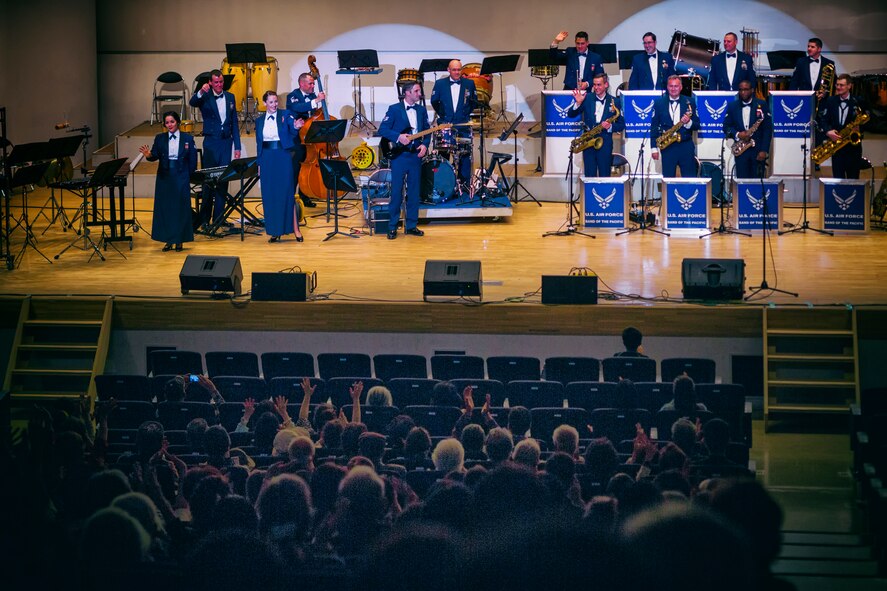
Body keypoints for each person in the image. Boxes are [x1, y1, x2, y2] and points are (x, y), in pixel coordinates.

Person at [188, 69, 241, 227]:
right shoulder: (205, 96)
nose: (219, 85)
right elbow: (192, 103)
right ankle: (204, 219)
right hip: (211, 143)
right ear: (210, 82)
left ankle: (219, 218)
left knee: (222, 181)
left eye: (221, 82)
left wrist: (237, 146)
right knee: (209, 181)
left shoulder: (230, 97)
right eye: (216, 82)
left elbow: (235, 123)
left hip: (226, 143)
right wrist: (199, 92)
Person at [139, 111, 197, 252]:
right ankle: (168, 240)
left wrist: (186, 176)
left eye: (172, 121)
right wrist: (148, 156)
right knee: (166, 209)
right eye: (167, 122)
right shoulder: (160, 138)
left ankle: (179, 241)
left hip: (181, 176)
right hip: (164, 178)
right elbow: (155, 155)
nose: (169, 124)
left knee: (181, 209)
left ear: (177, 122)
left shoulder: (188, 138)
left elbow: (192, 161)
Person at [378, 81, 429, 240]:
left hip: (415, 156)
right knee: (396, 192)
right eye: (416, 91)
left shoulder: (421, 110)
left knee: (414, 192)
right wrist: (398, 136)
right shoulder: (394, 109)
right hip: (399, 157)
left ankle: (411, 225)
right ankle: (392, 227)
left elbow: (427, 131)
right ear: (407, 93)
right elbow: (383, 130)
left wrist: (425, 145)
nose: (419, 93)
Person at [256, 90, 304, 243]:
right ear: (265, 104)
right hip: (267, 159)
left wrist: (296, 126)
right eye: (271, 102)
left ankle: (295, 229)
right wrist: (259, 163)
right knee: (270, 195)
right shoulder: (259, 121)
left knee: (286, 193)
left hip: (282, 157)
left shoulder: (285, 114)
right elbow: (259, 144)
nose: (274, 105)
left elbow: (292, 126)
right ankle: (275, 231)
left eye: (276, 101)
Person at [568, 73, 624, 177]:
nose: (596, 87)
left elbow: (621, 125)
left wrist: (610, 127)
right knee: (589, 176)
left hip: (605, 144)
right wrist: (578, 103)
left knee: (605, 176)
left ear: (606, 85)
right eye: (594, 85)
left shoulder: (615, 101)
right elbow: (570, 114)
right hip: (588, 143)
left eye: (599, 85)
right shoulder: (587, 98)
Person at [430, 59, 477, 184]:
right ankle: (443, 184)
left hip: (463, 124)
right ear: (448, 70)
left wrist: (464, 114)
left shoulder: (469, 84)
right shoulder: (440, 84)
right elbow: (434, 101)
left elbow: (473, 103)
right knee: (443, 154)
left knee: (465, 155)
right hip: (445, 124)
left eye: (459, 69)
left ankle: (464, 184)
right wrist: (444, 115)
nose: (457, 72)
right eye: (454, 70)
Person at [286, 72, 324, 208]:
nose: (313, 85)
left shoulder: (313, 96)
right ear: (302, 84)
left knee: (307, 169)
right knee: (295, 169)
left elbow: (314, 114)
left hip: (310, 138)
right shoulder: (293, 96)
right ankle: (290, 199)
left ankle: (305, 196)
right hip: (297, 139)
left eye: (314, 83)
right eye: (310, 83)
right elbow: (298, 108)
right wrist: (316, 101)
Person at [818, 74, 866, 179]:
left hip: (853, 148)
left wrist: (859, 128)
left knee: (853, 180)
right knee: (838, 179)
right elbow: (823, 120)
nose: (838, 87)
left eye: (842, 85)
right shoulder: (831, 101)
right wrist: (828, 131)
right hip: (837, 147)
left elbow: (867, 120)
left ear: (849, 86)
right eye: (837, 85)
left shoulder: (858, 101)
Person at [651, 75, 700, 177]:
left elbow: (697, 125)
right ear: (667, 87)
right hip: (667, 147)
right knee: (668, 179)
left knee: (689, 179)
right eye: (671, 86)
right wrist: (653, 148)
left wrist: (688, 122)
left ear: (681, 87)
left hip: (686, 146)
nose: (673, 89)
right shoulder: (658, 103)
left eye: (676, 86)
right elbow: (654, 126)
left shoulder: (690, 102)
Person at [723, 80, 771, 179]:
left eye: (746, 89)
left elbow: (767, 129)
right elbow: (726, 126)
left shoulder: (762, 104)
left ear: (752, 90)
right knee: (741, 182)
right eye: (741, 90)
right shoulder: (733, 106)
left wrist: (764, 150)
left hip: (757, 151)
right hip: (741, 151)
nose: (743, 92)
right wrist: (737, 134)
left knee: (757, 182)